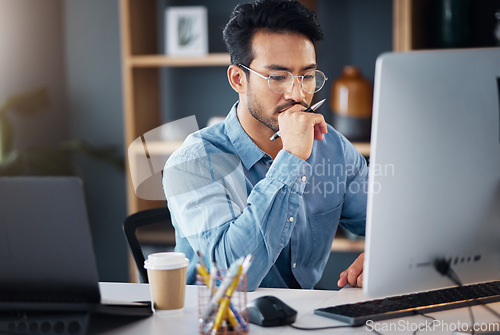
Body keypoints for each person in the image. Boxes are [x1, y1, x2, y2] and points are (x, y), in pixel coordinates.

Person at [163, 0, 366, 291]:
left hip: (302, 320)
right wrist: (292, 158)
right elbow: (233, 279)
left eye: (307, 76)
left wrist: (380, 256)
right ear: (238, 79)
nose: (297, 93)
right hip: (222, 321)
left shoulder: (332, 146)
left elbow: (392, 222)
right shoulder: (194, 161)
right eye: (278, 77)